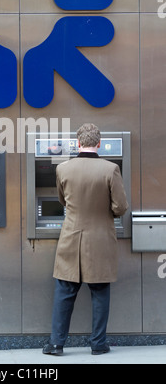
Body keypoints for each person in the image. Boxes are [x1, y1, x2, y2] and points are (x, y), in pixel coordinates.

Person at [43, 123, 128, 356]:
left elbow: (62, 200)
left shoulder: (63, 168)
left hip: (71, 236)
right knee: (100, 291)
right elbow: (120, 207)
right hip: (100, 239)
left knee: (65, 290)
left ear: (77, 143)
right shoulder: (111, 169)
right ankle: (98, 344)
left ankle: (56, 344)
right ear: (99, 143)